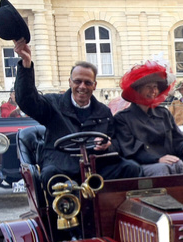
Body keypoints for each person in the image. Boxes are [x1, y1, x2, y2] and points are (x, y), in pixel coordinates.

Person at [13, 38, 141, 188]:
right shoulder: (53, 104)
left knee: (131, 168)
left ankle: (114, 209)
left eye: (88, 83)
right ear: (70, 82)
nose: (82, 87)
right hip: (61, 166)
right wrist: (26, 65)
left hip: (96, 167)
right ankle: (63, 208)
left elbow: (115, 140)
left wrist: (109, 145)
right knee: (49, 175)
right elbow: (27, 101)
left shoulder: (104, 111)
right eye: (78, 81)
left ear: (94, 86)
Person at [114, 61, 183, 176]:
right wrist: (157, 159)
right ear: (137, 90)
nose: (154, 91)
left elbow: (177, 137)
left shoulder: (164, 113)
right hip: (142, 166)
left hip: (168, 162)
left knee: (180, 165)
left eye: (155, 87)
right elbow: (130, 149)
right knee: (163, 169)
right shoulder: (123, 118)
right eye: (148, 87)